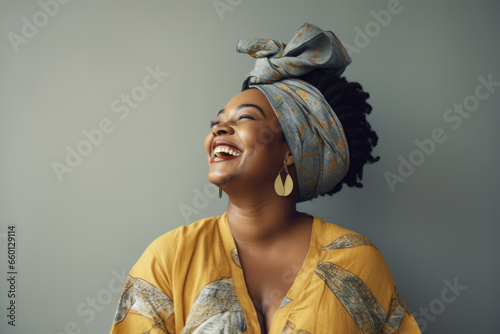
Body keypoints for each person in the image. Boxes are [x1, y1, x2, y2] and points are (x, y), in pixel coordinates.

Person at [109, 23, 421, 333]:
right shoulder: (170, 257)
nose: (219, 129)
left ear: (291, 150)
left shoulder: (355, 260)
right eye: (216, 122)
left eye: (244, 118)